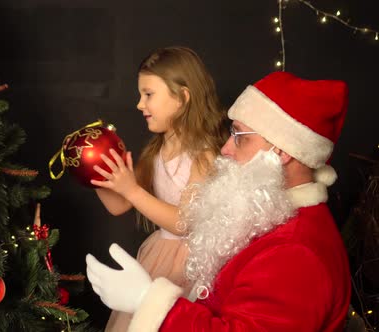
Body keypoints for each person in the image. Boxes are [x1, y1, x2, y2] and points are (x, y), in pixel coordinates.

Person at [86, 71, 351, 331]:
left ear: (280, 151)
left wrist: (147, 301)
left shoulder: (295, 252)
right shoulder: (265, 215)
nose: (225, 149)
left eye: (239, 136)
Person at [90, 46, 227, 331]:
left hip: (192, 265)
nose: (140, 104)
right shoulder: (156, 150)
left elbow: (183, 223)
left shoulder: (204, 156)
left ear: (182, 98)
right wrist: (92, 167)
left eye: (148, 94)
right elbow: (119, 205)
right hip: (159, 259)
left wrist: (131, 190)